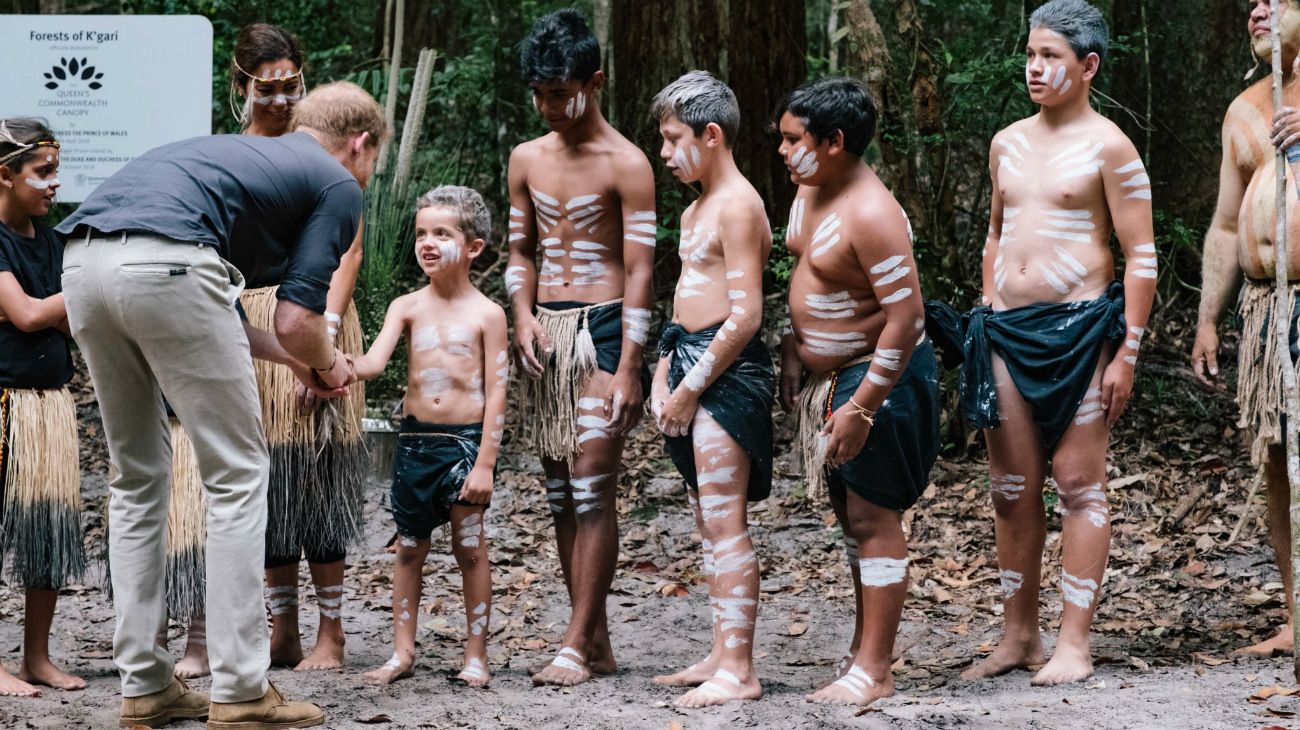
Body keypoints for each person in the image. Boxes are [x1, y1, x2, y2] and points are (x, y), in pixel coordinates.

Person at [55, 81, 386, 729]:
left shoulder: (241, 161)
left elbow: (222, 315)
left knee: (136, 477)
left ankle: (145, 686)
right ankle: (240, 689)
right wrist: (326, 361)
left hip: (83, 263)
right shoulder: (336, 184)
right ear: (362, 144)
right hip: (168, 266)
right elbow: (296, 320)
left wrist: (303, 361)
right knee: (236, 474)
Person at [960, 0, 1155, 686]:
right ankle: (1019, 636)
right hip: (1007, 333)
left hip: (1080, 337)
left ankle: (1074, 643)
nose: (1034, 68)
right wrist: (988, 298)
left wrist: (1126, 352)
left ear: (1088, 65)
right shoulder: (1006, 141)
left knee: (1078, 483)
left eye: (1050, 57)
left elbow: (1142, 255)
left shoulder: (1110, 146)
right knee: (1012, 488)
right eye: (1030, 54)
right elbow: (994, 231)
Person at [771, 78, 941, 707]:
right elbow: (807, 273)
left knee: (873, 517)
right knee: (850, 516)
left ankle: (875, 670)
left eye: (793, 140)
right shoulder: (812, 189)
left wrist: (864, 405)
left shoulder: (870, 213)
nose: (784, 152)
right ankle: (862, 652)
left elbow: (908, 317)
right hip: (836, 376)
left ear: (834, 142)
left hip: (882, 376)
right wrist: (794, 342)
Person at [506, 8, 655, 686]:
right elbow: (519, 250)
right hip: (547, 334)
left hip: (602, 328)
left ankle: (573, 643)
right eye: (538, 93)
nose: (548, 106)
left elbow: (644, 270)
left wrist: (629, 365)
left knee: (594, 489)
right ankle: (591, 642)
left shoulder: (628, 163)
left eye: (559, 92)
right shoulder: (526, 158)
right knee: (561, 493)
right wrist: (520, 316)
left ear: (594, 82)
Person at [227, 22, 369, 675]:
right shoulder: (229, 154)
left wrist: (326, 336)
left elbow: (351, 246)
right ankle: (283, 630)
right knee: (275, 477)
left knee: (322, 471)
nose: (281, 100)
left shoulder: (325, 147)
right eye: (268, 87)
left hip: (321, 320)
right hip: (259, 323)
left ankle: (331, 635)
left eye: (291, 85)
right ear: (242, 87)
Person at [645, 71, 772, 709]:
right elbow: (685, 304)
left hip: (727, 376)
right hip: (692, 366)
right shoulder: (697, 208)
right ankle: (722, 651)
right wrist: (665, 372)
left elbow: (745, 315)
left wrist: (692, 386)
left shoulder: (740, 206)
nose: (665, 153)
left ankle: (740, 670)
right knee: (706, 522)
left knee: (726, 524)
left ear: (711, 134)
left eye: (672, 140)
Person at [354, 185, 507, 688]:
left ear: (474, 247)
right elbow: (373, 363)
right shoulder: (406, 306)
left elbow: (497, 393)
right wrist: (326, 364)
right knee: (410, 549)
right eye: (422, 233)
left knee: (470, 549)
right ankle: (402, 652)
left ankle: (476, 656)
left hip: (465, 445)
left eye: (442, 233)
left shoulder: (488, 314)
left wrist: (485, 462)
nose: (428, 242)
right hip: (417, 444)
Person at [1194, 0, 1300, 658]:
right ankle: (1296, 616)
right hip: (1268, 307)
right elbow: (1227, 224)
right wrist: (1208, 316)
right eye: (1250, 4)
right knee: (1279, 463)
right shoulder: (1245, 107)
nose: (1257, 11)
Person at [0, 118, 86, 697]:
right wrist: (87, 289)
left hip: (51, 406)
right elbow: (28, 316)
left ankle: (37, 657)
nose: (54, 184)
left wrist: (61, 303)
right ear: (5, 175)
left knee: (46, 531)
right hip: (4, 405)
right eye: (42, 173)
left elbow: (59, 317)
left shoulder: (54, 244)